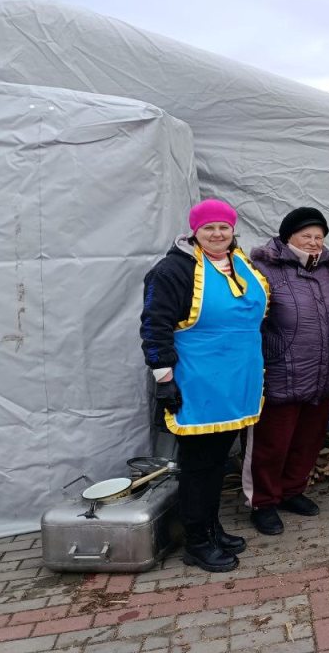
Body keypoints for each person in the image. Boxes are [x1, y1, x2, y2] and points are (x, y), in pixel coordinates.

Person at [140, 199, 269, 572]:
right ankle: (196, 541)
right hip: (198, 384)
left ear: (233, 230)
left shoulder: (240, 264)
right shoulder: (172, 271)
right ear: (194, 231)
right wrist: (164, 379)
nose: (217, 234)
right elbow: (154, 326)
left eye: (224, 227)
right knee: (198, 466)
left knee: (216, 463)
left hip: (238, 381)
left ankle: (212, 529)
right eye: (208, 227)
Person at [244, 207, 329, 535]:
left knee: (308, 440)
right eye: (307, 236)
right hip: (281, 371)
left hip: (322, 372)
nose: (314, 242)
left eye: (319, 236)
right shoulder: (263, 268)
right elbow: (249, 320)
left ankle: (291, 490)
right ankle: (263, 502)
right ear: (288, 236)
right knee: (271, 444)